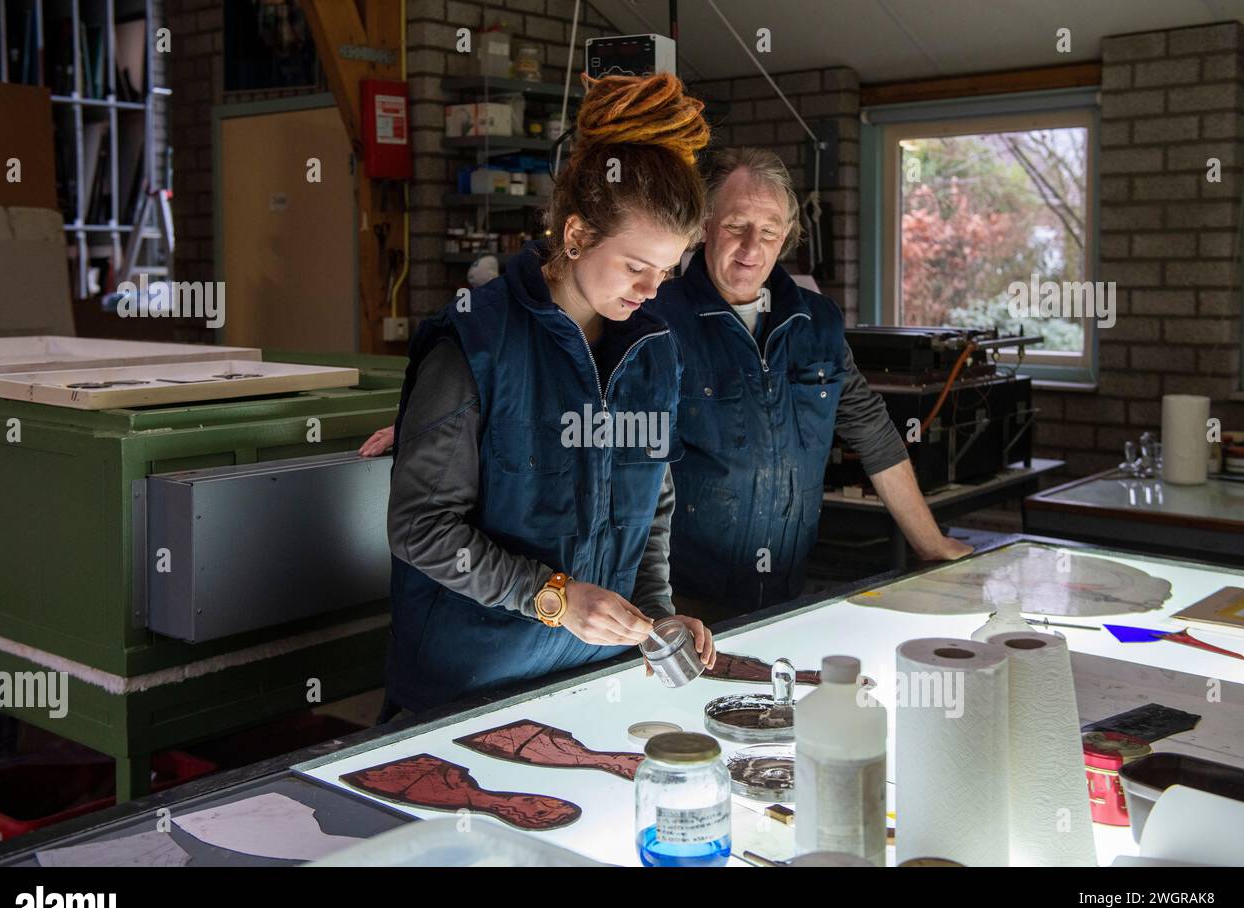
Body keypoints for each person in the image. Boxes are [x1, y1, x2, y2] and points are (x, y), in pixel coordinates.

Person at [376, 74, 717, 719]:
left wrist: (657, 620)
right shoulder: (475, 344)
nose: (651, 290)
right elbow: (419, 529)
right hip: (468, 693)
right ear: (577, 236)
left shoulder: (653, 352)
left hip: (594, 689)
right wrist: (553, 597)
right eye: (634, 267)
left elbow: (651, 507)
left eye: (666, 273)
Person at [645, 147, 972, 623]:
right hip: (686, 604)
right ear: (704, 226)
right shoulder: (658, 320)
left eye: (770, 231)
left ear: (786, 238)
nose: (751, 247)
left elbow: (873, 432)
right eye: (736, 226)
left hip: (787, 593)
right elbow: (632, 472)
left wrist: (931, 544)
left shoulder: (816, 322)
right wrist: (651, 607)